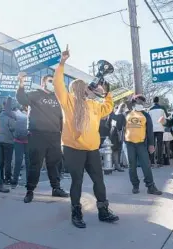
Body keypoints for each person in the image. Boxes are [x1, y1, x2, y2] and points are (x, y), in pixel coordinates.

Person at [53, 45, 119, 228]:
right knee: (77, 181)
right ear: (76, 89)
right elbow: (58, 84)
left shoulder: (93, 105)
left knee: (99, 180)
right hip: (73, 149)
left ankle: (103, 210)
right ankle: (76, 212)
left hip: (92, 149)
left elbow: (108, 107)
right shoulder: (68, 102)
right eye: (82, 87)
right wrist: (62, 63)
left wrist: (107, 92)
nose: (87, 89)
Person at [16, 71, 68, 203]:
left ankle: (56, 188)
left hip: (55, 135)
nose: (52, 84)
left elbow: (62, 117)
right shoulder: (35, 94)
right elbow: (21, 99)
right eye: (50, 81)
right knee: (35, 164)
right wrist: (21, 83)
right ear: (43, 83)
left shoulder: (58, 98)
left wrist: (62, 133)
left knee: (54, 164)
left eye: (53, 82)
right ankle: (30, 191)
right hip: (37, 135)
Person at [116, 95, 162, 195]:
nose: (140, 103)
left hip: (141, 144)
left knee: (146, 165)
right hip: (129, 144)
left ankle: (151, 186)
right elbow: (119, 127)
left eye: (142, 101)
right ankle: (135, 185)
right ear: (133, 102)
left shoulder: (146, 115)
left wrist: (151, 144)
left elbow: (150, 131)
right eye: (138, 101)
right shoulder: (126, 114)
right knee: (131, 166)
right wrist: (120, 112)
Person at [0, 98, 16, 184]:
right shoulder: (10, 115)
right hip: (8, 140)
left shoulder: (0, 115)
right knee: (8, 160)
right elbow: (12, 128)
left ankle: (0, 177)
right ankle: (7, 178)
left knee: (1, 160)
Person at [11, 105, 29, 188]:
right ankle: (29, 181)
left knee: (18, 161)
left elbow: (12, 127)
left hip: (18, 141)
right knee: (28, 162)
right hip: (28, 141)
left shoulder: (16, 115)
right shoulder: (31, 115)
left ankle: (15, 181)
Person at [148, 96, 168, 167]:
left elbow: (148, 120)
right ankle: (159, 161)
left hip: (152, 129)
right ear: (158, 101)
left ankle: (152, 161)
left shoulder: (149, 109)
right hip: (160, 128)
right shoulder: (162, 108)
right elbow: (166, 118)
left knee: (152, 145)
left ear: (153, 101)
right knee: (160, 145)